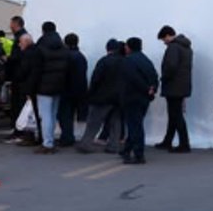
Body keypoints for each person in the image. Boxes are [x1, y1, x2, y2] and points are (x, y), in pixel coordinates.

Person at [77, 39, 123, 154]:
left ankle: (85, 144)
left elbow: (96, 79)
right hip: (118, 98)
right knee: (115, 122)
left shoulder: (104, 61)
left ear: (107, 48)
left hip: (102, 97)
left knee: (94, 122)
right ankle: (114, 145)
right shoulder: (124, 61)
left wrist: (90, 94)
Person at [119, 37, 159, 165]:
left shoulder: (128, 60)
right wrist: (152, 89)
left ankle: (139, 154)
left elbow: (133, 78)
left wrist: (146, 89)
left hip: (132, 97)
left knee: (135, 126)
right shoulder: (146, 60)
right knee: (135, 124)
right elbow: (154, 76)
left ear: (129, 47)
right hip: (144, 98)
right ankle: (126, 150)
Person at [155, 25, 193, 153]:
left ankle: (184, 144)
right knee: (174, 115)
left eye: (163, 40)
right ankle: (168, 141)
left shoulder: (174, 47)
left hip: (173, 86)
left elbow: (171, 66)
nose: (164, 43)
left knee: (176, 115)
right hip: (182, 85)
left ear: (167, 35)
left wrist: (164, 78)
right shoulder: (186, 47)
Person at [32, 21, 68, 154]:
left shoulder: (40, 47)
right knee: (52, 115)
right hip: (59, 85)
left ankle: (47, 143)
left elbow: (36, 69)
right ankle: (50, 140)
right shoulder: (63, 47)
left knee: (45, 115)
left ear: (43, 31)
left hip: (44, 86)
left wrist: (32, 87)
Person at [58, 33, 88, 147]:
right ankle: (69, 136)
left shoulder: (66, 56)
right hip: (79, 90)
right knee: (72, 115)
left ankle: (67, 137)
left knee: (65, 115)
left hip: (66, 90)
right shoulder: (80, 56)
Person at [12, 34, 41, 146]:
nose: (19, 44)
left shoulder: (28, 54)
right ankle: (35, 136)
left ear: (27, 42)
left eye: (21, 42)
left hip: (27, 87)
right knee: (33, 113)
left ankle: (29, 137)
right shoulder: (36, 51)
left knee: (28, 113)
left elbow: (24, 71)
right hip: (34, 87)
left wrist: (16, 75)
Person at [5, 16, 29, 142]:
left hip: (19, 77)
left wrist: (7, 60)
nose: (10, 26)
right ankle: (19, 130)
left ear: (16, 23)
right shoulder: (22, 36)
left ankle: (18, 131)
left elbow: (16, 57)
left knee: (18, 104)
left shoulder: (20, 37)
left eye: (11, 23)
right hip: (20, 77)